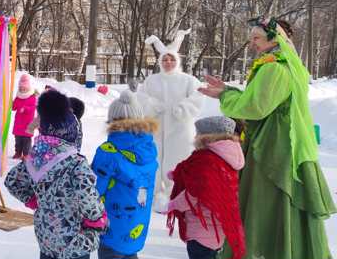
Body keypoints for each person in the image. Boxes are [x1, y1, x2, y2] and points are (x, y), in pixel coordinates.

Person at [198, 18, 335, 259]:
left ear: (275, 38)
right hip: (284, 143)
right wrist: (229, 91)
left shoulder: (274, 68)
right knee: (280, 205)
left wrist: (225, 97)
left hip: (272, 147)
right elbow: (263, 101)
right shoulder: (288, 66)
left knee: (264, 203)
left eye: (257, 38)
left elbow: (254, 108)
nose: (252, 44)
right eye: (251, 39)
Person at [5, 90, 105, 259]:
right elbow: (87, 197)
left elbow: (12, 181)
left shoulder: (36, 157)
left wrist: (33, 199)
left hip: (46, 238)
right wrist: (97, 219)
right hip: (74, 242)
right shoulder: (76, 164)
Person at [140, 29, 202, 210]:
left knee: (178, 159)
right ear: (160, 62)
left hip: (180, 129)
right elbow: (141, 98)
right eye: (165, 59)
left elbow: (197, 98)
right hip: (156, 128)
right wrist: (152, 105)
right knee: (156, 159)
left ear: (178, 61)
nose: (168, 62)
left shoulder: (188, 80)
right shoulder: (152, 81)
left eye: (172, 59)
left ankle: (176, 193)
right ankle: (156, 193)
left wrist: (182, 109)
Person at [166, 116, 245, 259]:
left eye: (198, 133)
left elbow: (194, 194)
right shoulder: (226, 158)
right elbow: (204, 181)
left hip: (201, 232)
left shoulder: (207, 160)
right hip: (217, 230)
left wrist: (172, 204)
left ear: (207, 137)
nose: (195, 136)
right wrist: (178, 175)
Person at [92, 91, 158, 259]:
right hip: (137, 225)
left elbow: (94, 191)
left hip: (111, 229)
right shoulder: (149, 149)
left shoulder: (108, 152)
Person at [11, 74, 38, 159]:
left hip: (27, 122)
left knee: (26, 140)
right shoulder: (18, 97)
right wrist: (11, 103)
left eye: (24, 88)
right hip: (19, 122)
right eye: (21, 88)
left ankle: (26, 154)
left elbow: (33, 107)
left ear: (28, 88)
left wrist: (25, 108)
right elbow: (14, 108)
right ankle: (18, 152)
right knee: (18, 139)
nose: (22, 90)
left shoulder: (32, 97)